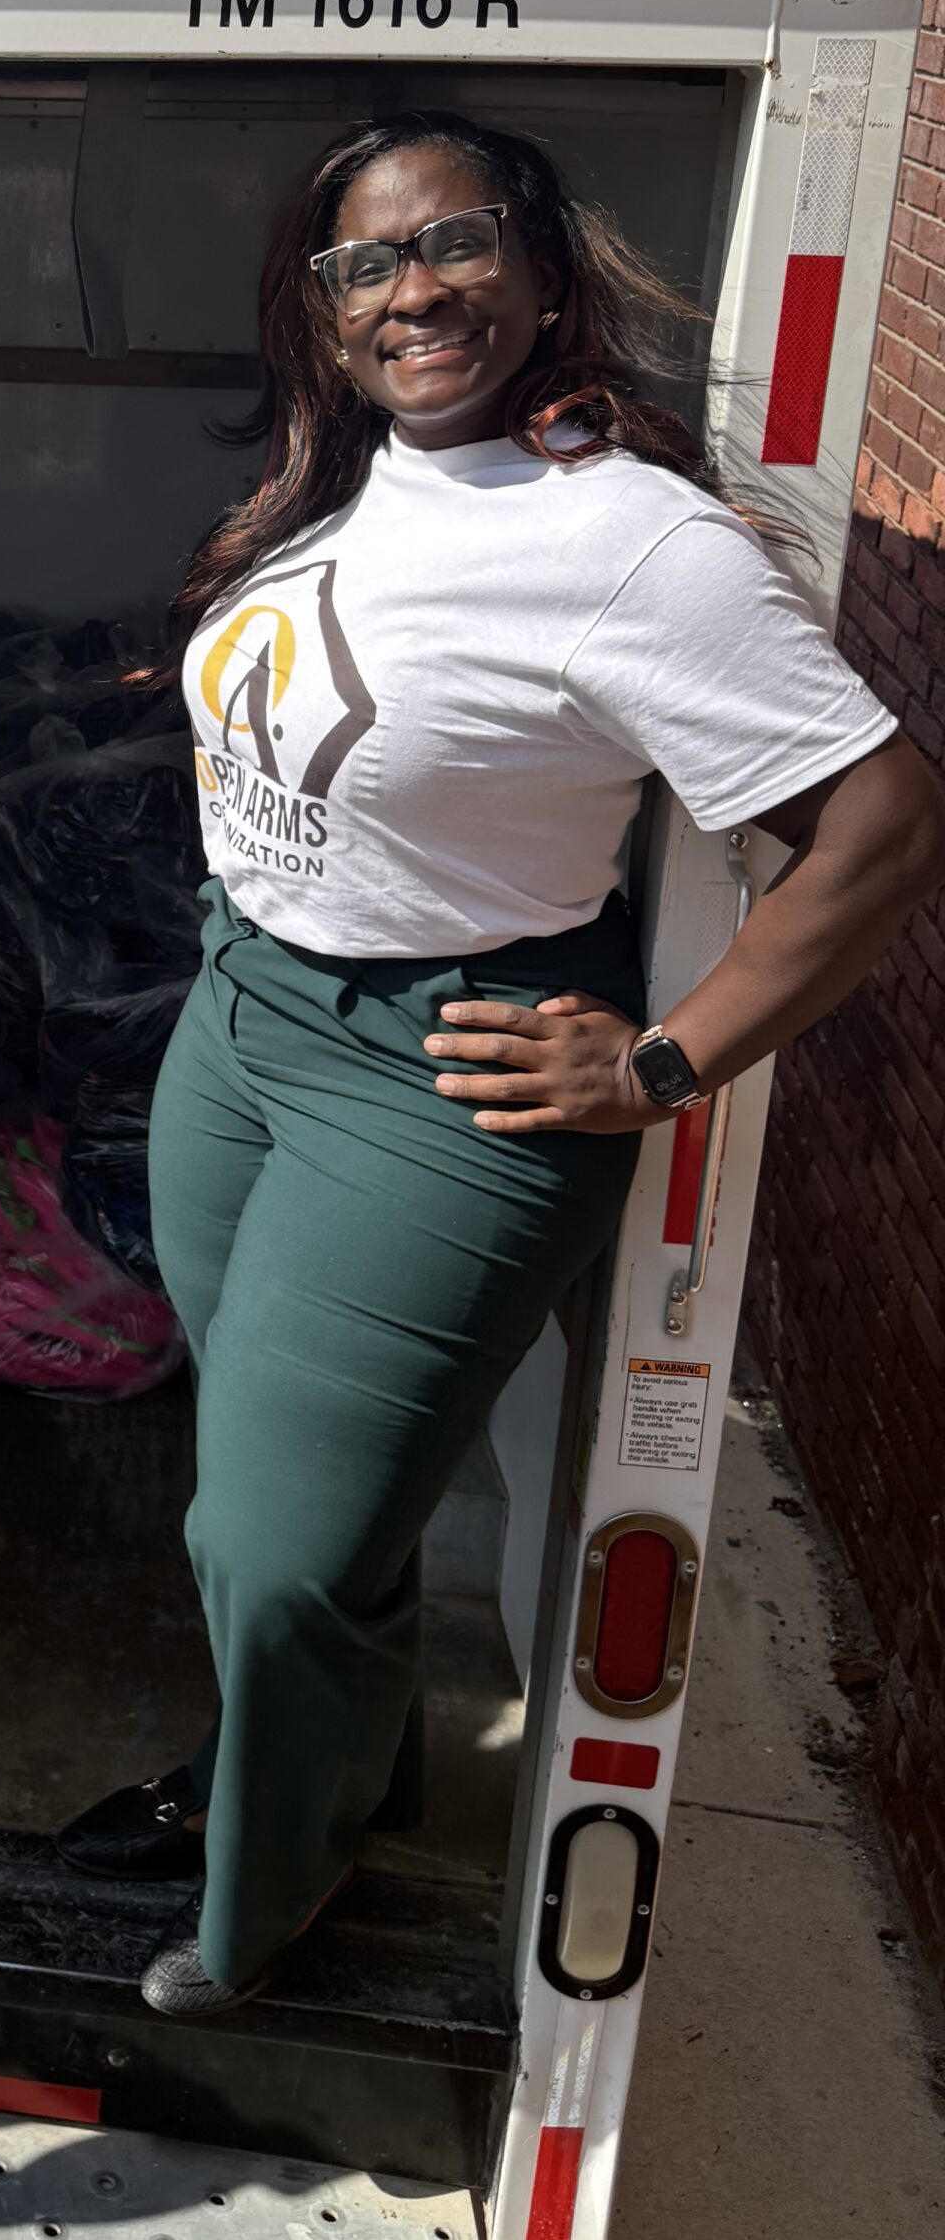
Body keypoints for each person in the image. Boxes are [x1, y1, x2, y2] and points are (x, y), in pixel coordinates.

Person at [54, 109, 945, 2019]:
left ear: (544, 271)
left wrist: (669, 1064)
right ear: (323, 312)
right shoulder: (349, 478)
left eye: (454, 244)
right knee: (276, 1485)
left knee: (273, 1547)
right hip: (247, 1030)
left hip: (441, 1077)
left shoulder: (631, 542)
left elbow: (876, 825)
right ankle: (320, 1784)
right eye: (364, 264)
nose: (413, 290)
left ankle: (260, 1909)